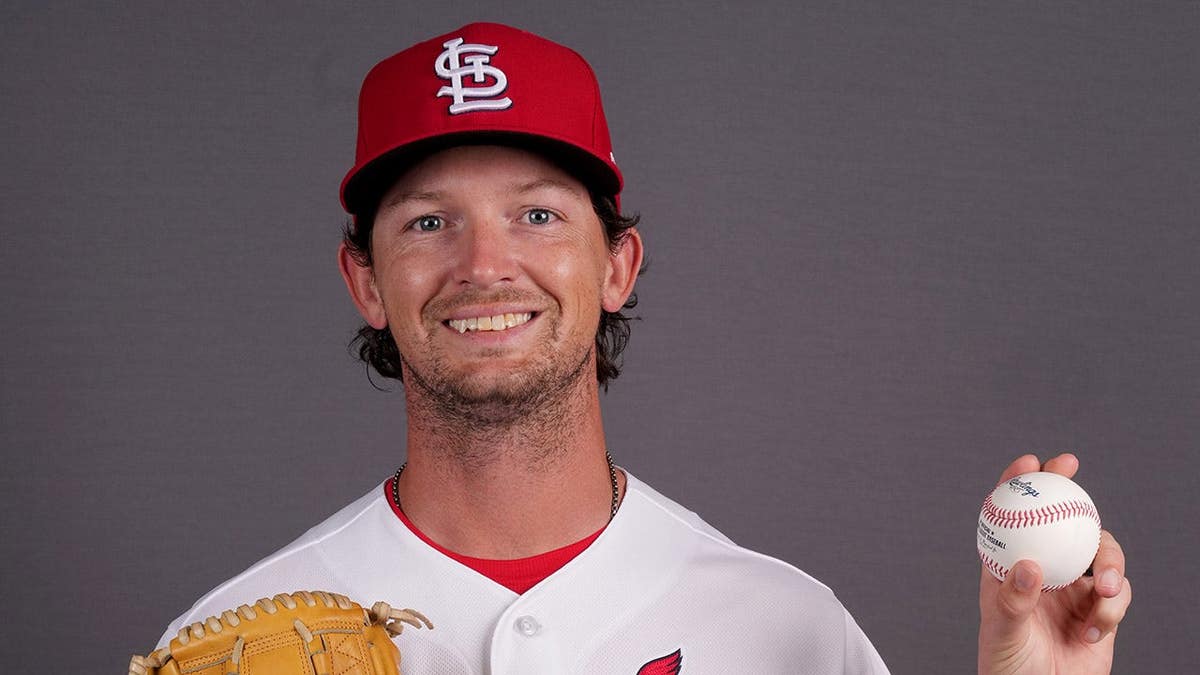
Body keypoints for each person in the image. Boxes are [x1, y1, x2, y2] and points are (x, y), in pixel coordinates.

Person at [158, 22, 1130, 673]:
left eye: (537, 214)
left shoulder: (790, 632)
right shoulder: (244, 637)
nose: (485, 264)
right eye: (426, 224)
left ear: (618, 265)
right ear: (365, 282)